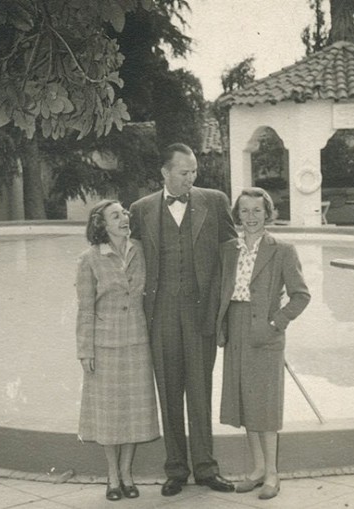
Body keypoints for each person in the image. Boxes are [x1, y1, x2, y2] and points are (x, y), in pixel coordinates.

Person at [129, 143, 237, 496]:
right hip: (160, 316)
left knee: (201, 391)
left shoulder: (215, 201)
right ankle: (175, 469)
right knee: (169, 392)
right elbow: (129, 261)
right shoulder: (141, 209)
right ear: (165, 172)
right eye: (184, 172)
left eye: (194, 172)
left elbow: (234, 255)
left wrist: (227, 308)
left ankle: (206, 468)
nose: (191, 178)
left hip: (201, 313)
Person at [215, 187, 310, 500]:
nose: (251, 217)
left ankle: (272, 473)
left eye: (257, 211)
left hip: (264, 332)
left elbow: (301, 295)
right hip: (236, 331)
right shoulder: (229, 248)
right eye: (245, 211)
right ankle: (256, 470)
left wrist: (277, 323)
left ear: (268, 214)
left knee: (265, 407)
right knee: (245, 402)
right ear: (237, 215)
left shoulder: (282, 250)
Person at [75, 199, 160, 502]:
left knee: (134, 412)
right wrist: (86, 351)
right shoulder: (90, 259)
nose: (124, 217)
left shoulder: (139, 249)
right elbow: (85, 309)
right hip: (105, 345)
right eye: (116, 215)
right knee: (110, 415)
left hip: (138, 342)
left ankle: (127, 473)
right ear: (102, 225)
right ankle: (112, 476)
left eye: (124, 213)